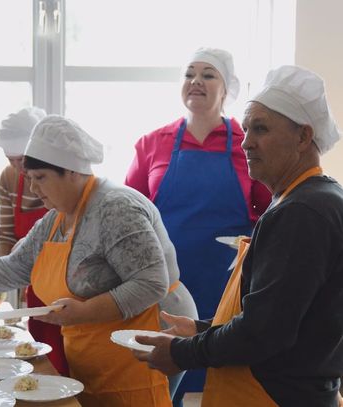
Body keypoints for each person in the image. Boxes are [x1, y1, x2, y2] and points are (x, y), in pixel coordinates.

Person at [0, 115, 197, 407]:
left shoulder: (116, 208)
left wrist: (83, 312)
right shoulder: (58, 217)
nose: (34, 190)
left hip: (148, 336)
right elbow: (15, 266)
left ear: (72, 172)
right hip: (99, 345)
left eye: (40, 178)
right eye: (30, 179)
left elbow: (151, 283)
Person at [133, 65, 343, 407]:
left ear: (304, 137)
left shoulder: (302, 213)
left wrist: (182, 353)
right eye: (246, 129)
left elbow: (264, 333)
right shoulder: (301, 200)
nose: (246, 142)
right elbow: (279, 314)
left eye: (260, 129)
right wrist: (202, 330)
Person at [125, 46, 271, 403]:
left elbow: (272, 214)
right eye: (190, 73)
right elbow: (130, 214)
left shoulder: (248, 144)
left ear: (227, 88)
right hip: (166, 283)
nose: (196, 82)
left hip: (228, 285)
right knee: (165, 378)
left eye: (208, 75)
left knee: (224, 381)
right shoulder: (152, 144)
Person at [0, 106, 68, 376]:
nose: (18, 167)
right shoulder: (8, 177)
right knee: (40, 363)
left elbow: (66, 231)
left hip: (68, 287)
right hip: (35, 289)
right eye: (10, 159)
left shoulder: (62, 175)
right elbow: (5, 236)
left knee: (69, 365)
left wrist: (26, 248)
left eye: (21, 158)